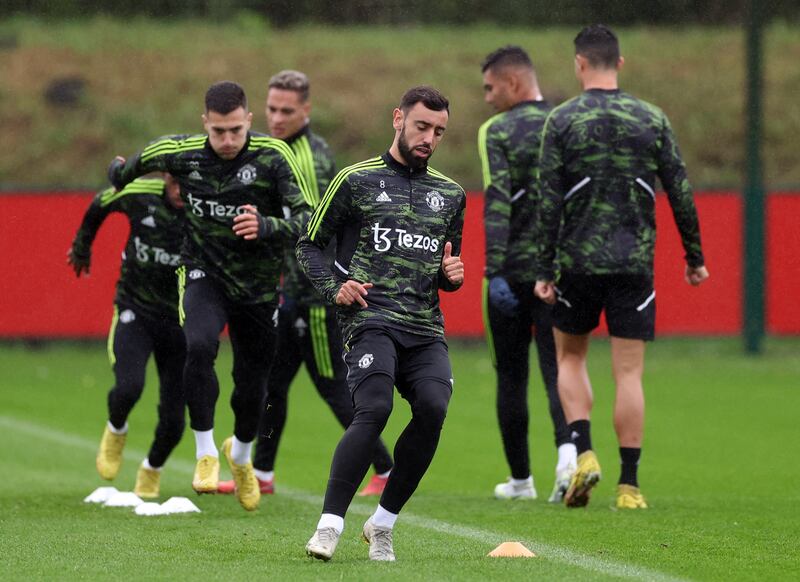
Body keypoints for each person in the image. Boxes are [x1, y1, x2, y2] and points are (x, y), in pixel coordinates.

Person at [107, 81, 313, 512]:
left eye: (235, 130)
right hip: (204, 272)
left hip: (258, 288)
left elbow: (309, 220)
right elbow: (131, 169)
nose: (227, 140)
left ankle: (239, 455)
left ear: (249, 122)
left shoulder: (274, 158)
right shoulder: (180, 153)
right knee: (197, 345)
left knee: (252, 386)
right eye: (218, 131)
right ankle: (205, 452)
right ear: (205, 123)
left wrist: (268, 226)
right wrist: (118, 171)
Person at [533, 25, 709, 509]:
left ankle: (585, 452)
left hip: (577, 262)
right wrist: (694, 258)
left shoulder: (562, 120)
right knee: (629, 374)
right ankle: (630, 486)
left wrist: (544, 268)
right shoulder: (652, 119)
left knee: (570, 358)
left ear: (579, 64)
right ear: (621, 63)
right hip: (635, 264)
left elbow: (548, 201)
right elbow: (681, 193)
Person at [298, 86, 465, 561]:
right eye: (421, 126)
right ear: (398, 119)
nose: (429, 137)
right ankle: (329, 526)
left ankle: (382, 524)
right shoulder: (355, 180)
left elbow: (445, 266)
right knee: (375, 407)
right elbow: (309, 244)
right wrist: (336, 288)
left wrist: (452, 276)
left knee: (433, 408)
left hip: (424, 325)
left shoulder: (450, 194)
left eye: (438, 131)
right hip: (369, 318)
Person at [218, 70, 393, 497]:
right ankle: (262, 473)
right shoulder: (283, 149)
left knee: (332, 384)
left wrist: (265, 227)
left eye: (287, 111)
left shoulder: (307, 158)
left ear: (306, 111)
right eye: (272, 108)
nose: (276, 118)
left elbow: (313, 224)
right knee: (274, 382)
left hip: (316, 294)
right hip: (290, 291)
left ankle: (386, 468)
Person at [478, 45, 576, 503]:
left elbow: (498, 201)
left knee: (511, 376)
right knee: (560, 369)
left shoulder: (497, 130)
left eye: (490, 87)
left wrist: (493, 271)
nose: (487, 98)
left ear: (512, 83)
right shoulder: (566, 122)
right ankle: (569, 462)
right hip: (558, 270)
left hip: (512, 272)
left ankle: (520, 482)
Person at [68, 174, 186, 499]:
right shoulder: (140, 194)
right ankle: (116, 428)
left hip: (181, 322)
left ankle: (152, 468)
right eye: (175, 183)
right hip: (136, 309)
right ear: (165, 178)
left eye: (187, 185)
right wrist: (82, 244)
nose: (180, 192)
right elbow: (100, 202)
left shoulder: (205, 208)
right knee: (129, 387)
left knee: (175, 421)